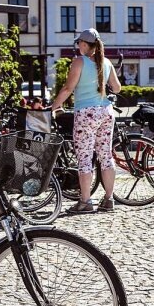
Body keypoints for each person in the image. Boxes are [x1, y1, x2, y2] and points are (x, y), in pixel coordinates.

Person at [51, 28, 121, 213]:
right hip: (106, 111)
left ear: (84, 44)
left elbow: (67, 88)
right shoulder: (106, 63)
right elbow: (117, 87)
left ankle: (85, 201)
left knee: (84, 158)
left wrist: (53, 107)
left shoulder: (79, 62)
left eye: (78, 43)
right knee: (106, 156)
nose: (77, 46)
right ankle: (108, 199)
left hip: (86, 114)